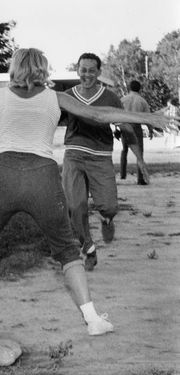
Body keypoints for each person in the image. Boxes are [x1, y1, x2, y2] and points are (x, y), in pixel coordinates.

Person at [0, 48, 173, 339]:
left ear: (15, 68)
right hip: (42, 176)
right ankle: (92, 320)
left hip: (1, 173)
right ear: (42, 70)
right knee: (65, 249)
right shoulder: (57, 97)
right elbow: (100, 115)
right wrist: (147, 118)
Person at [61, 53, 149, 271]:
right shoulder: (67, 96)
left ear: (99, 72)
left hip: (100, 158)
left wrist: (139, 160)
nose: (87, 74)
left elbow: (126, 128)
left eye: (92, 70)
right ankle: (88, 248)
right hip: (74, 155)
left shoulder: (110, 97)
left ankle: (107, 219)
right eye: (83, 69)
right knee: (75, 206)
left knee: (109, 207)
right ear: (77, 71)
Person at [120, 80, 153, 184]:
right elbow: (147, 117)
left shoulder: (123, 100)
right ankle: (140, 178)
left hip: (124, 125)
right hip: (136, 126)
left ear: (129, 88)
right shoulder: (142, 101)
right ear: (140, 89)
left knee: (124, 150)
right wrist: (150, 129)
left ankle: (122, 174)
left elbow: (116, 113)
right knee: (139, 153)